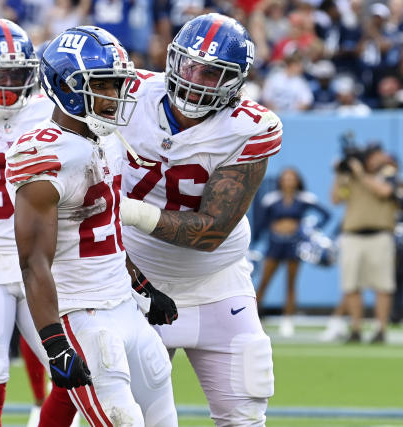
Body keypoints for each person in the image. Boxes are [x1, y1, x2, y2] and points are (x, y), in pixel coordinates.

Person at [7, 26, 178, 426]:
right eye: (102, 85)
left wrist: (141, 287)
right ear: (65, 86)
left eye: (117, 85)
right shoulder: (44, 154)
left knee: (163, 419)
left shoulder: (107, 140)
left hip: (124, 305)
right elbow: (33, 261)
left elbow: (107, 233)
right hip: (80, 314)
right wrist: (53, 344)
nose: (113, 97)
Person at [118, 13, 279, 426]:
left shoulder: (250, 127)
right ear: (172, 59)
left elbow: (211, 231)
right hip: (134, 283)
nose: (195, 79)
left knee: (245, 411)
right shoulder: (127, 93)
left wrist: (127, 211)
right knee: (131, 417)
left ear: (236, 80)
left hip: (216, 282)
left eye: (212, 73)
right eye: (189, 66)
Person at [0, 18, 78, 426]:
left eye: (17, 73)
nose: (8, 83)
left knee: (71, 375)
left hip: (42, 262)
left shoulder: (50, 110)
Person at [329, 144, 398, 343]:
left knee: (383, 285)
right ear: (367, 158)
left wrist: (360, 175)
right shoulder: (351, 176)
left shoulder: (389, 173)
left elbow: (384, 192)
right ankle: (356, 329)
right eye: (376, 156)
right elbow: (335, 199)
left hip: (380, 235)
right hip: (352, 236)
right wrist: (339, 174)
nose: (381, 159)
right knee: (350, 284)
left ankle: (380, 329)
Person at [254, 168, 331, 337]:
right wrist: (267, 232)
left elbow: (326, 214)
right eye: (286, 178)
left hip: (294, 244)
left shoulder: (305, 198)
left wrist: (309, 229)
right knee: (264, 282)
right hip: (274, 244)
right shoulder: (271, 199)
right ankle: (254, 319)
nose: (288, 181)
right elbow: (261, 222)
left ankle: (287, 321)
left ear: (298, 181)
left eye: (292, 178)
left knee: (291, 283)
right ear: (280, 181)